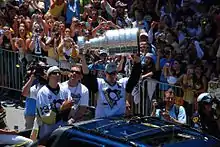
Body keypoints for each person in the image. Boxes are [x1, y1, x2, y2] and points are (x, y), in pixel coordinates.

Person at [80, 53, 141, 118]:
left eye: (114, 73)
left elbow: (134, 77)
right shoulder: (99, 83)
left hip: (119, 119)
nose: (112, 76)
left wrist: (137, 63)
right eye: (110, 73)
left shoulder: (123, 83)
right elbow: (87, 75)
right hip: (102, 120)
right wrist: (83, 58)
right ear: (105, 73)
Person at [35, 66, 72, 140]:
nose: (58, 75)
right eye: (54, 73)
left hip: (62, 127)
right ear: (48, 76)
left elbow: (69, 105)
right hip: (47, 129)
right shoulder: (43, 92)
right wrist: (61, 108)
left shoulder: (64, 90)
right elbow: (46, 117)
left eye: (59, 73)